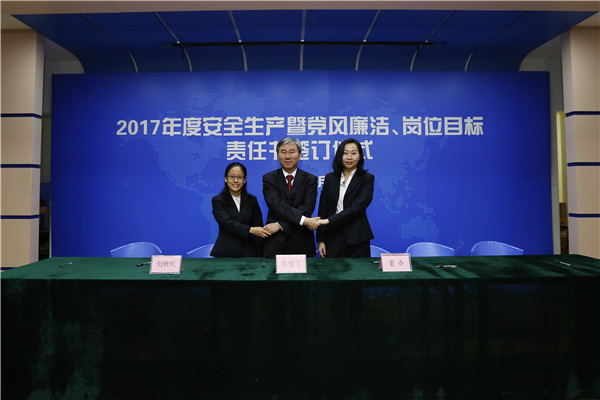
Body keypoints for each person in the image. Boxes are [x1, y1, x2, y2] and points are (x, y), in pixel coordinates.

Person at [262, 137, 320, 257]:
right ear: (278, 155)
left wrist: (280, 225)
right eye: (283, 152)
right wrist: (304, 221)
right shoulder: (269, 178)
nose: (287, 156)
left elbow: (307, 208)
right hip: (276, 242)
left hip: (302, 241)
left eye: (292, 152)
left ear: (300, 155)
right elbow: (276, 206)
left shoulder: (310, 179)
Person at [317, 138, 374, 257]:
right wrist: (321, 239)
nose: (349, 157)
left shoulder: (367, 178)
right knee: (333, 269)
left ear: (360, 156)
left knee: (360, 269)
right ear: (339, 156)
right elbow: (323, 209)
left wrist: (329, 221)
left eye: (354, 153)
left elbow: (357, 207)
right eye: (345, 153)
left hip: (357, 238)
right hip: (332, 236)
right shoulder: (330, 178)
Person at [211, 162, 269, 257]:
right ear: (226, 179)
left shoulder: (252, 200)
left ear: (244, 180)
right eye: (232, 177)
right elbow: (226, 223)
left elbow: (258, 225)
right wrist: (251, 230)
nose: (236, 180)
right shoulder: (218, 200)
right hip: (225, 252)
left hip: (249, 252)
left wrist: (260, 253)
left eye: (240, 177)